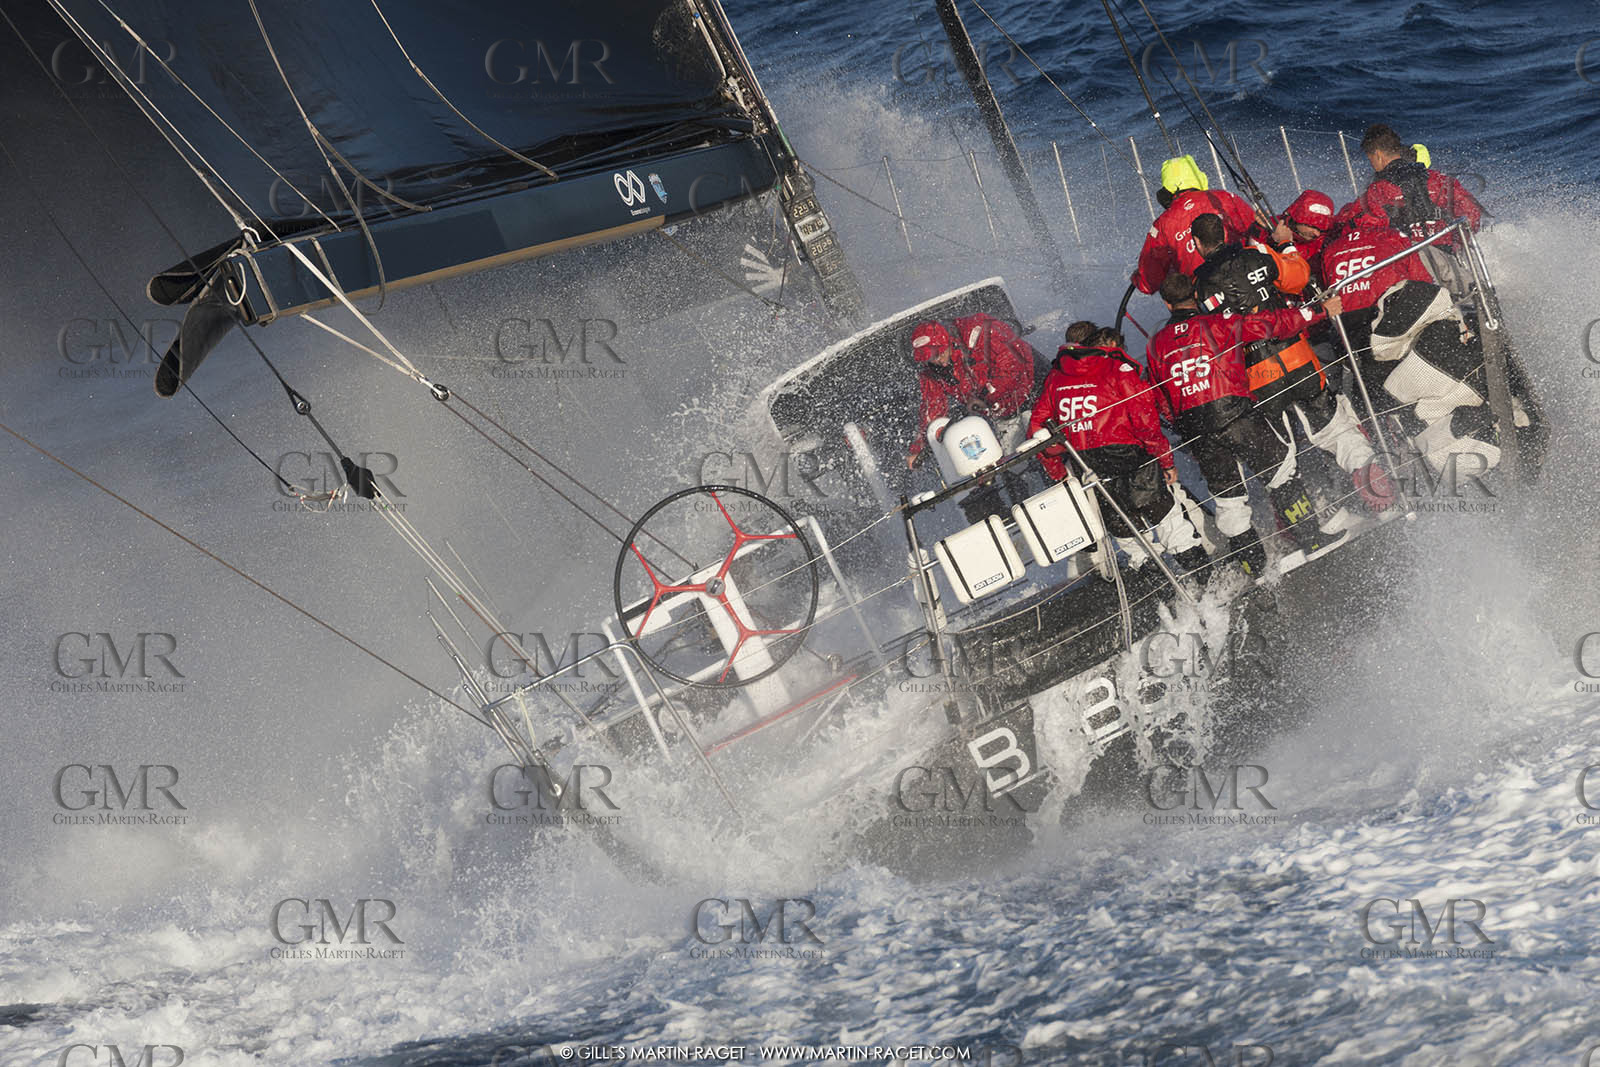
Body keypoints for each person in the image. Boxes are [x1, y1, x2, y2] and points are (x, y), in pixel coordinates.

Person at [1146, 272, 1350, 574]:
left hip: (1195, 428)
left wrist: (1181, 425)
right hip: (1234, 413)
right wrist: (1318, 310)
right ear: (1194, 295)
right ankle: (1312, 541)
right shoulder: (1217, 324)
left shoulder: (1155, 345)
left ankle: (1254, 568)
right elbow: (1271, 324)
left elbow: (1158, 395)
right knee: (1279, 470)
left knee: (1228, 499)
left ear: (1165, 304)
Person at [1190, 212, 1387, 518]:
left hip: (1258, 376)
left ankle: (1315, 523)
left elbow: (1218, 338)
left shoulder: (1200, 287)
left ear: (1197, 244)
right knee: (1335, 429)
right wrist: (1285, 245)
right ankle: (1381, 497)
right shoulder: (1256, 254)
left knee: (1283, 456)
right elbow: (1297, 278)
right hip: (1298, 357)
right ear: (1226, 235)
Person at [1028, 322, 1210, 579]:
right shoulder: (1117, 368)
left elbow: (1037, 435)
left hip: (1090, 471)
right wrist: (1166, 461)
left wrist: (1059, 474)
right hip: (1132, 463)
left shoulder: (1055, 379)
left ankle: (1170, 607)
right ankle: (1210, 584)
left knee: (1134, 546)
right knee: (1173, 527)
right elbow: (1146, 422)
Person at [1319, 207, 1436, 411]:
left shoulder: (1331, 249)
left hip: (1349, 335)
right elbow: (1422, 283)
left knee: (1365, 383)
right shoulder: (1392, 237)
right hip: (1389, 326)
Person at [906, 314, 1035, 469]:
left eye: (939, 353)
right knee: (1013, 466)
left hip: (1036, 390)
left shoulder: (979, 331)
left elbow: (1012, 367)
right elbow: (932, 408)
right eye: (930, 358)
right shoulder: (932, 373)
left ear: (947, 341)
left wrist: (984, 397)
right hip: (1002, 415)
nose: (937, 361)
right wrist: (919, 448)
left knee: (1049, 449)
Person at [1132, 154, 1263, 296]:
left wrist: (1138, 277)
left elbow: (1149, 281)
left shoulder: (1162, 225)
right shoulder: (1224, 198)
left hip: (1204, 301)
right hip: (1251, 283)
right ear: (1198, 176)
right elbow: (1258, 231)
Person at [1358, 124, 1483, 239]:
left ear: (1378, 155)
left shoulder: (1377, 190)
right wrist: (1457, 242)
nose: (1372, 165)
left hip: (1408, 257)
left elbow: (1365, 225)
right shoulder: (1439, 179)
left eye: (1371, 160)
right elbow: (1472, 211)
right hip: (1449, 253)